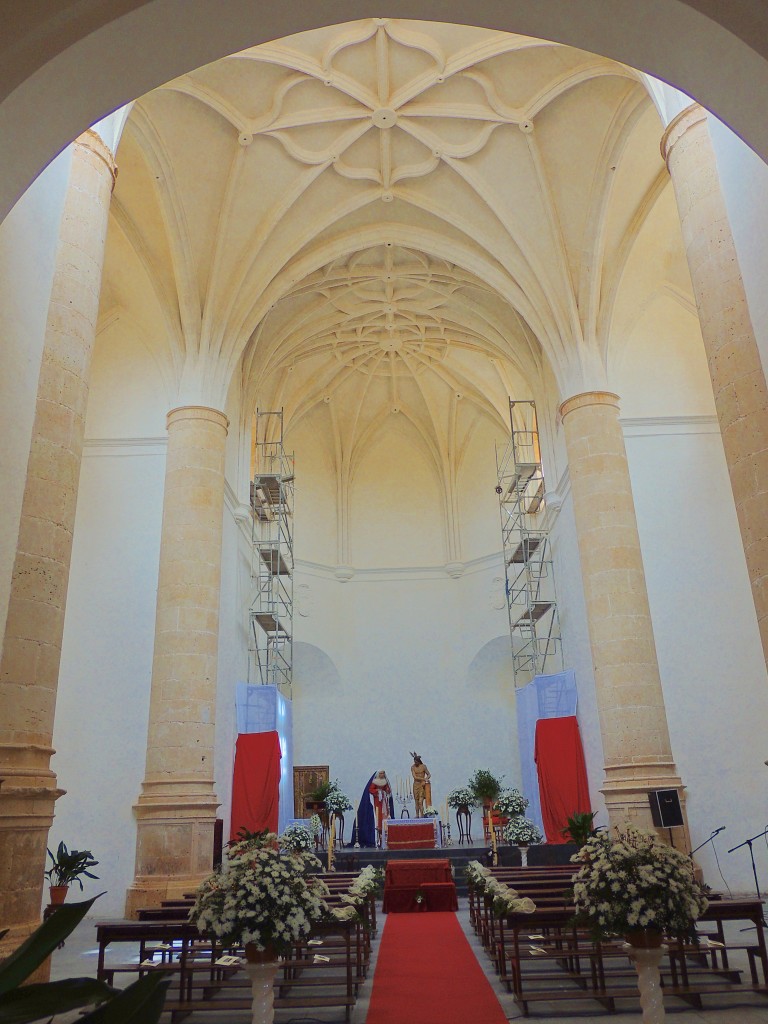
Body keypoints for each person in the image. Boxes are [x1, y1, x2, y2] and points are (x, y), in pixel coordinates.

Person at [369, 770, 392, 845]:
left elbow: (387, 789)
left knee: (384, 816)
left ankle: (385, 834)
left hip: (384, 801)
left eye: (383, 773)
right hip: (377, 802)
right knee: (378, 817)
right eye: (381, 773)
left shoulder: (385, 781)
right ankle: (379, 834)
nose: (382, 774)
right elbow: (371, 790)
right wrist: (377, 791)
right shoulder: (375, 781)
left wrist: (387, 790)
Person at [410, 751, 432, 817]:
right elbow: (415, 777)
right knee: (416, 801)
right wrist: (424, 779)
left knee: (420, 801)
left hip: (421, 785)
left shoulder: (423, 766)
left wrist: (426, 779)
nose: (415, 763)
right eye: (414, 762)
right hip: (416, 785)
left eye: (416, 762)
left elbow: (429, 774)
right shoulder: (413, 767)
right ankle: (417, 815)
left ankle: (422, 815)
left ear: (419, 761)